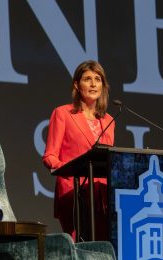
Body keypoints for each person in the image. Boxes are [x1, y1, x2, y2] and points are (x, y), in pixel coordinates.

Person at [43, 60, 115, 241]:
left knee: (104, 250)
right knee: (80, 248)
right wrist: (71, 170)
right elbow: (50, 156)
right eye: (87, 79)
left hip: (103, 197)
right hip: (74, 193)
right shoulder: (62, 113)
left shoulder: (109, 120)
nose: (93, 84)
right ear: (77, 84)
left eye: (98, 79)